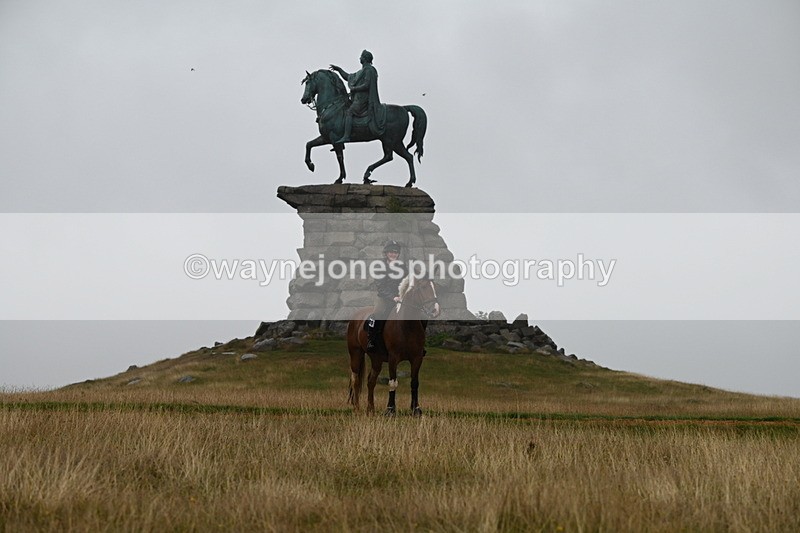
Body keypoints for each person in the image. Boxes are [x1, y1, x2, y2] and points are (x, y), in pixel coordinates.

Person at [329, 50, 386, 144]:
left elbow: (367, 85)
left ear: (365, 58)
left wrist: (355, 88)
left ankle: (346, 136)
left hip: (363, 100)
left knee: (349, 112)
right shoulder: (361, 72)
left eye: (361, 56)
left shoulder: (370, 70)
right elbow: (348, 77)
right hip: (357, 99)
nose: (360, 58)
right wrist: (339, 70)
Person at [366, 240, 406, 353]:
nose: (393, 254)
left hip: (400, 297)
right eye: (391, 252)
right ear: (386, 253)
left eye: (396, 252)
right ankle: (371, 339)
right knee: (378, 313)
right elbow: (381, 286)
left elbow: (406, 281)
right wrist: (393, 297)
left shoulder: (402, 266)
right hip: (384, 297)